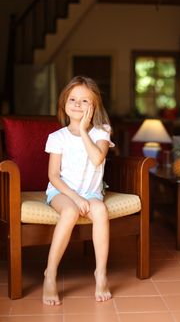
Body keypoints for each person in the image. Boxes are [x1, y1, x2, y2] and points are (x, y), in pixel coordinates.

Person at [43, 76, 114, 306]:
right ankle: (50, 274)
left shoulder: (102, 132)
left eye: (84, 100)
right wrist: (74, 197)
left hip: (92, 193)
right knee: (71, 212)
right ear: (64, 103)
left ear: (94, 106)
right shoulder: (57, 137)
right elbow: (53, 175)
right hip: (62, 192)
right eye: (72, 99)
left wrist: (84, 131)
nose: (77, 104)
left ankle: (100, 273)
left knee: (100, 210)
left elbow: (96, 158)